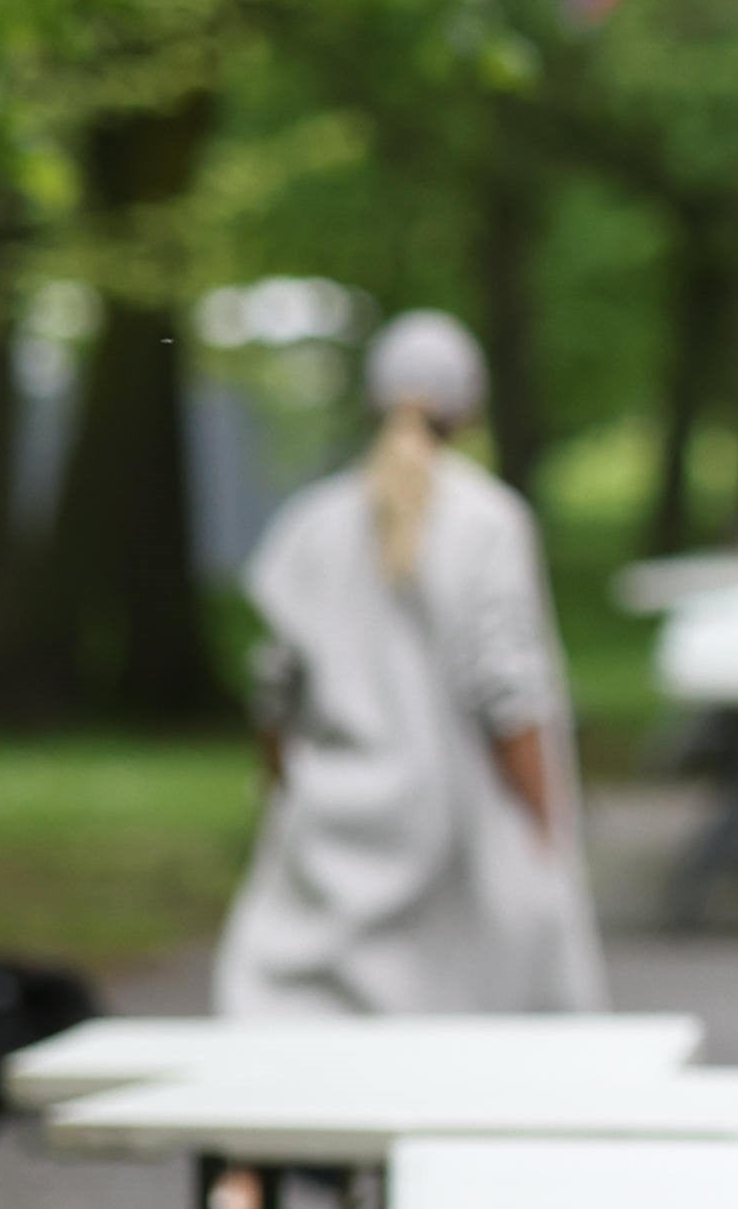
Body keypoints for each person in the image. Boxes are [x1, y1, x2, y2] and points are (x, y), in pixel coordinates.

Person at [213, 312, 603, 1016]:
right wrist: (545, 831)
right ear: (469, 408)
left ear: (371, 400)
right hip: (461, 828)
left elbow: (274, 692)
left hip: (333, 823)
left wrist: (282, 796)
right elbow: (509, 695)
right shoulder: (488, 521)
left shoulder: (312, 524)